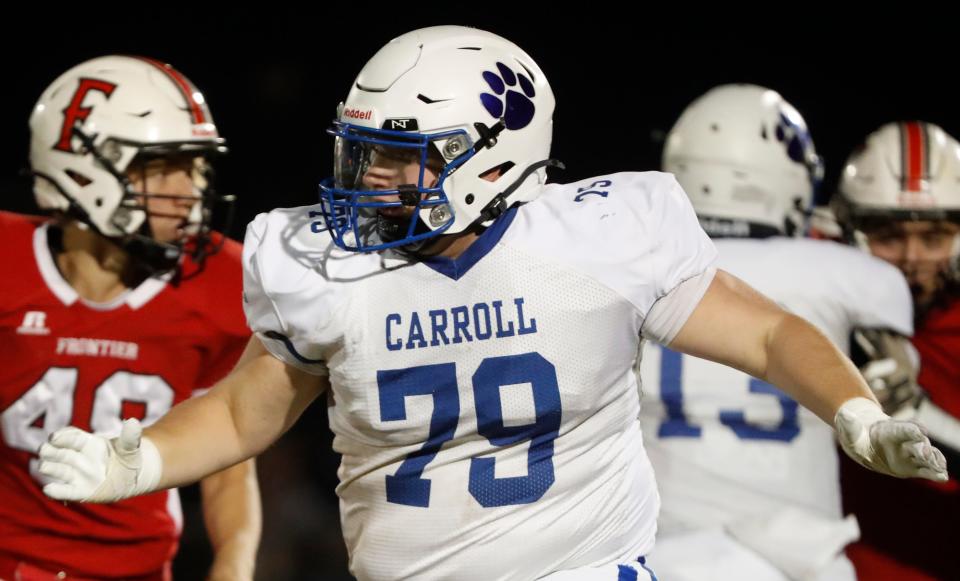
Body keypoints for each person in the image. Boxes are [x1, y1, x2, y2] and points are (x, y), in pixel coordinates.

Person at [36, 28, 946, 581]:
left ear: (495, 161)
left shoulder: (596, 238)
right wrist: (139, 459)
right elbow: (244, 410)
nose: (369, 180)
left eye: (401, 156)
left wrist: (854, 411)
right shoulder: (325, 261)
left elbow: (770, 331)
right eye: (361, 153)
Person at [638, 84, 916, 581]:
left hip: (658, 547)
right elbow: (902, 392)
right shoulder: (851, 273)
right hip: (798, 553)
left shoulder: (634, 260)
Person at [0, 55, 260, 580]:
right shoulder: (9, 260)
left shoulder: (219, 281)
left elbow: (228, 459)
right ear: (81, 167)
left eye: (197, 168)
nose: (190, 191)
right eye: (164, 167)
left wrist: (233, 565)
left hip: (138, 571)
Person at [833, 120, 960, 581]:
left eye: (934, 237)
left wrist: (920, 415)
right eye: (888, 236)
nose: (911, 257)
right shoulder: (819, 280)